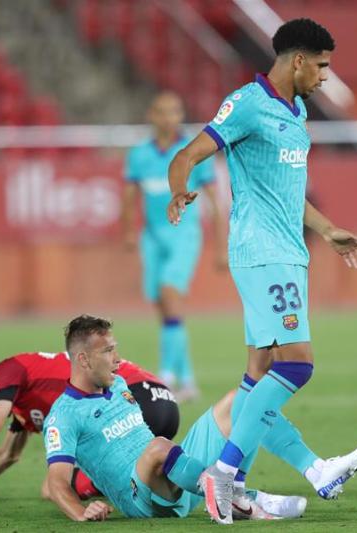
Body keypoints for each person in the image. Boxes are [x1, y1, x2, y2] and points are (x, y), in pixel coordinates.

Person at [167, 18, 357, 523]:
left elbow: (290, 192)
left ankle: (315, 470)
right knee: (296, 366)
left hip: (288, 253)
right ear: (298, 60)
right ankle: (223, 473)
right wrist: (179, 189)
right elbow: (190, 153)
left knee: (256, 378)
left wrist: (327, 231)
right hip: (261, 253)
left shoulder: (296, 111)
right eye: (321, 65)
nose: (325, 76)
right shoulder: (247, 104)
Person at [44, 314, 357, 522]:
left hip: (176, 473)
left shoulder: (116, 385)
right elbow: (56, 482)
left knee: (242, 401)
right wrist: (81, 511)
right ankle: (240, 497)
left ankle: (312, 470)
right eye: (107, 351)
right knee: (158, 446)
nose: (117, 359)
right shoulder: (63, 415)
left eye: (116, 349)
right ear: (83, 360)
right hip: (140, 498)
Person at [0, 352, 177, 502]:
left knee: (58, 487)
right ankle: (190, 473)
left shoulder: (6, 371)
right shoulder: (23, 403)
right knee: (56, 485)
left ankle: (166, 478)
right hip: (161, 401)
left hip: (133, 397)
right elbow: (7, 456)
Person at [122, 91, 226, 401]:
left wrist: (222, 246)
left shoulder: (193, 151)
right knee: (164, 308)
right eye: (162, 111)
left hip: (184, 236)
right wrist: (129, 231)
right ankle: (189, 381)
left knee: (170, 295)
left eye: (175, 111)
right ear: (151, 116)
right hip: (152, 238)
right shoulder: (139, 154)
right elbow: (129, 197)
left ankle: (165, 378)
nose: (169, 117)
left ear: (181, 116)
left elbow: (215, 202)